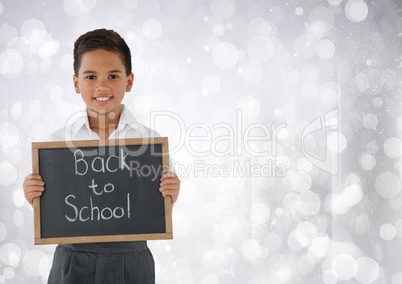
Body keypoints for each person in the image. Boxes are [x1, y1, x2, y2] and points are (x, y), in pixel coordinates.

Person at [23, 29, 180, 284]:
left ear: (129, 81)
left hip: (132, 259)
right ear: (76, 83)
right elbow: (52, 207)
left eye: (113, 75)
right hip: (72, 260)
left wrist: (172, 192)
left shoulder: (149, 143)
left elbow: (156, 205)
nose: (102, 85)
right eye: (91, 76)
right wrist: (34, 195)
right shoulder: (56, 144)